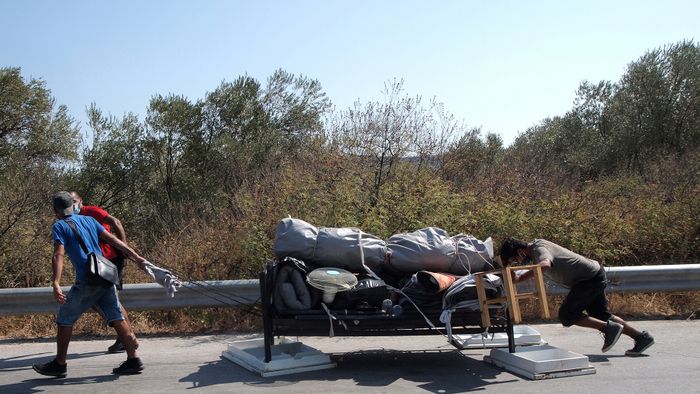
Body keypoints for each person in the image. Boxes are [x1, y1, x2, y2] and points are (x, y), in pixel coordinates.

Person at [33, 191, 149, 377]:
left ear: (56, 211)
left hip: (88, 279)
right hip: (105, 275)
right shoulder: (88, 220)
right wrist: (135, 256)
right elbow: (113, 240)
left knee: (65, 318)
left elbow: (58, 255)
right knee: (116, 315)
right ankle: (133, 359)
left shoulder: (60, 226)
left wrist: (55, 282)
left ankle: (60, 364)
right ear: (73, 205)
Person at [499, 238, 654, 356]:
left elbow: (545, 265)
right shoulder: (537, 247)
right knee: (601, 315)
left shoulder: (538, 248)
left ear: (519, 251)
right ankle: (641, 338)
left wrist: (520, 279)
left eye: (514, 259)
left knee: (567, 315)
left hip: (588, 279)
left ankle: (608, 329)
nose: (516, 262)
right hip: (593, 274)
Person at [70, 191, 134, 353]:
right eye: (70, 202)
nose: (73, 205)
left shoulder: (91, 211)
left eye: (74, 201)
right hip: (97, 262)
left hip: (110, 259)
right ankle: (124, 333)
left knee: (112, 299)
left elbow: (116, 222)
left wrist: (124, 247)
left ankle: (126, 337)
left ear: (81, 200)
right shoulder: (72, 218)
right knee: (96, 300)